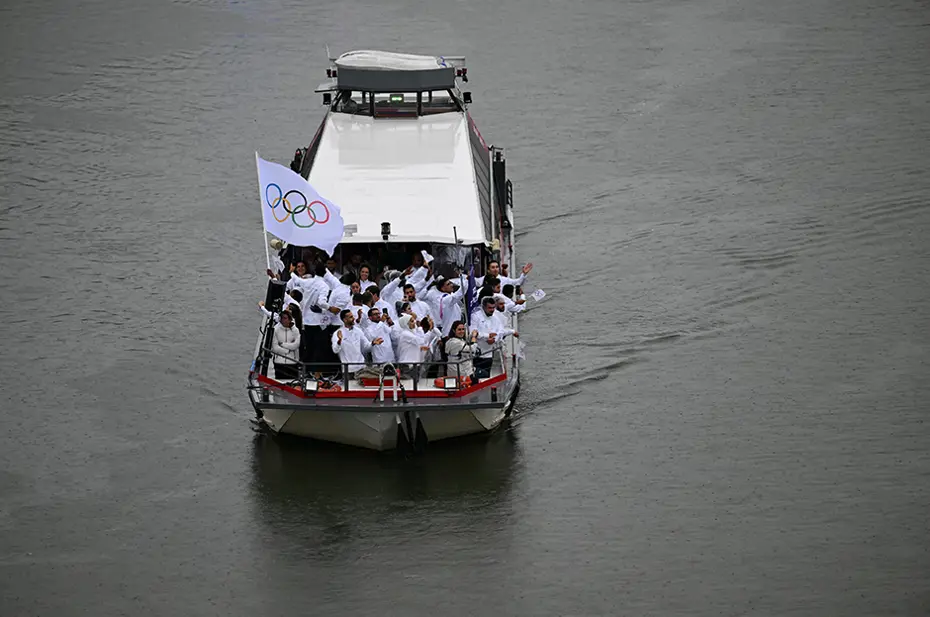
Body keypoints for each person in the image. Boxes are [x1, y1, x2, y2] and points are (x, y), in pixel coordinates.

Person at [470, 296, 517, 377]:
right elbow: (473, 332)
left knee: (486, 376)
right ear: (484, 307)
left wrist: (494, 339)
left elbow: (500, 331)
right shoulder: (475, 316)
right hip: (476, 352)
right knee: (475, 376)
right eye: (489, 308)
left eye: (493, 308)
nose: (492, 310)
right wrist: (487, 336)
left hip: (488, 353)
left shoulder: (495, 317)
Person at [331, 309, 383, 376]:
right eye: (351, 317)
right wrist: (339, 341)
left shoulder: (358, 331)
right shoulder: (338, 333)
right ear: (344, 320)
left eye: (352, 316)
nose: (353, 318)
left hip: (362, 368)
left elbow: (366, 347)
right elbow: (335, 350)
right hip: (348, 370)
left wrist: (373, 343)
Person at [271, 311, 301, 380]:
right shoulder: (275, 330)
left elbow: (296, 345)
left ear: (290, 319)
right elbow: (275, 347)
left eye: (286, 318)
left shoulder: (295, 330)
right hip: (279, 363)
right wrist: (287, 350)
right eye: (283, 318)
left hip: (293, 362)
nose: (284, 320)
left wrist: (282, 344)